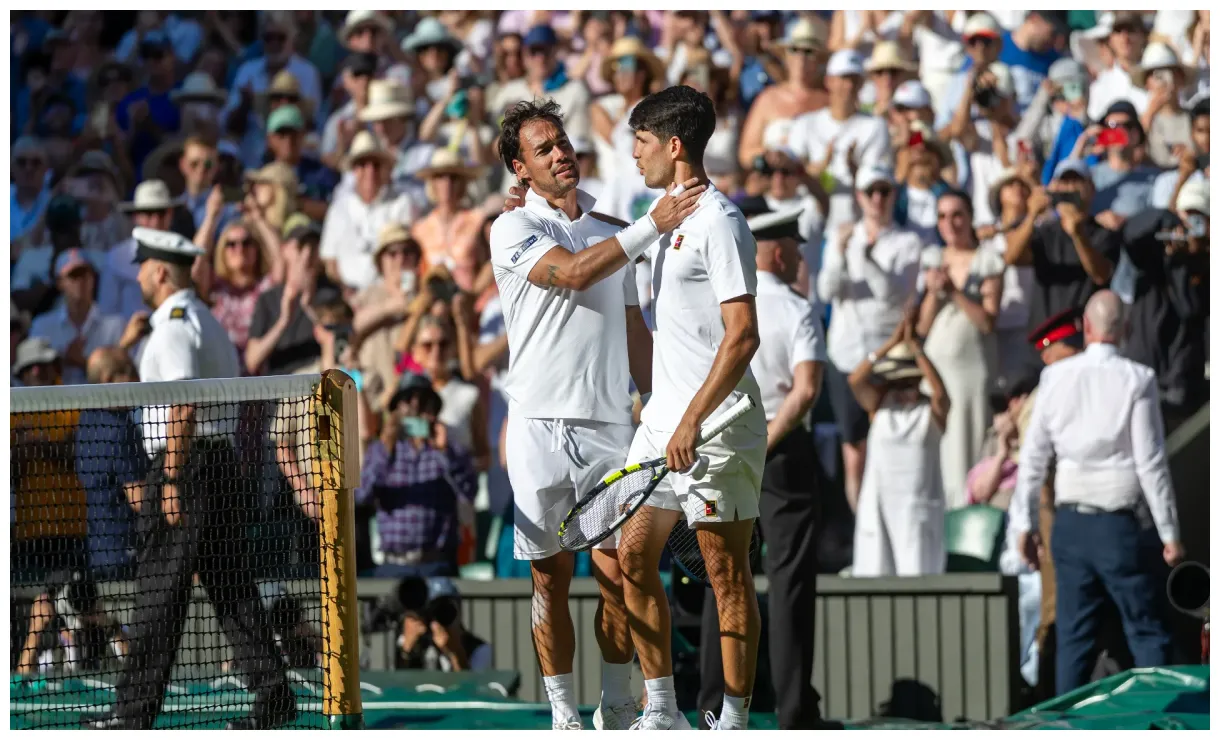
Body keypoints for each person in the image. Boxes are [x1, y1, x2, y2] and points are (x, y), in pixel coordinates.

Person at [491, 98, 698, 730]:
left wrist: (674, 404)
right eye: (543, 148)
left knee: (617, 573)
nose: (561, 154)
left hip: (612, 426)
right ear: (520, 168)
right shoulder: (509, 229)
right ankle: (563, 715)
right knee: (550, 580)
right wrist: (649, 225)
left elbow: (635, 328)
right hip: (539, 431)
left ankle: (613, 704)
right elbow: (576, 274)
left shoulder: (612, 228)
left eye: (563, 142)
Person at [605, 85, 767, 732]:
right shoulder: (663, 220)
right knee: (631, 556)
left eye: (640, 142)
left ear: (674, 147)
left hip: (717, 429)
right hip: (662, 425)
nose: (633, 156)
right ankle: (664, 712)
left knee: (725, 575)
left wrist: (693, 419)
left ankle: (734, 719)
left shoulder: (721, 221)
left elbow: (743, 335)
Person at [89, 227, 292, 730]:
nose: (138, 275)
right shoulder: (203, 319)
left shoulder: (176, 326)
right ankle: (274, 696)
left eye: (143, 267)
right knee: (232, 589)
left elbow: (183, 405)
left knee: (158, 592)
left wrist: (173, 479)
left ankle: (132, 714)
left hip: (188, 466)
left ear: (159, 272)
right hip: (216, 466)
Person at [1012, 290, 1183, 696]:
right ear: (1123, 329)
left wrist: (1025, 524)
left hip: (1070, 526)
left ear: (1085, 329)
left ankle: (1065, 731)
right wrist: (1170, 534)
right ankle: (1158, 724)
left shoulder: (1054, 378)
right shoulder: (1136, 379)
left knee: (1073, 640)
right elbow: (1150, 462)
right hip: (1117, 526)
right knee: (1145, 631)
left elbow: (1033, 460)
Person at [697, 201, 828, 729]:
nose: (799, 259)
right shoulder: (797, 309)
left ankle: (711, 704)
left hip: (730, 446)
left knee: (723, 578)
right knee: (790, 581)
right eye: (794, 250)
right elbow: (807, 390)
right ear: (775, 253)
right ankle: (795, 713)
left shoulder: (721, 307)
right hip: (781, 452)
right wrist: (769, 441)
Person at [816, 165, 922, 513]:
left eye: (884, 191)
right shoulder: (843, 235)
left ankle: (887, 517)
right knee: (854, 449)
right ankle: (862, 525)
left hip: (887, 354)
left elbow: (892, 295)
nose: (878, 198)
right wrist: (843, 255)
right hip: (846, 354)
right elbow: (827, 290)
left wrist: (862, 255)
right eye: (871, 192)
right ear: (860, 197)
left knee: (887, 438)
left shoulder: (907, 241)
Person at [916, 191, 1004, 510]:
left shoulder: (987, 261)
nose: (950, 223)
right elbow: (922, 328)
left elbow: (987, 323)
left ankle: (968, 514)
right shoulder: (933, 260)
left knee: (968, 447)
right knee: (939, 451)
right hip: (937, 374)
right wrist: (934, 295)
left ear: (969, 218)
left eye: (956, 215)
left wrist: (954, 292)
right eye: (942, 216)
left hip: (971, 374)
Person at [848, 312, 951, 577]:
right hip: (879, 505)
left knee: (919, 575)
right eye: (900, 381)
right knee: (876, 572)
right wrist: (890, 344)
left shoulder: (932, 410)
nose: (906, 388)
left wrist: (917, 350)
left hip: (918, 509)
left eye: (912, 381)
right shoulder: (880, 406)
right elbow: (855, 380)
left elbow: (941, 393)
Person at [355, 372, 478, 578]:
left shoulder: (450, 448)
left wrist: (444, 451)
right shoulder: (380, 450)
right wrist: (386, 447)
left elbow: (470, 492)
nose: (415, 406)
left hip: (438, 565)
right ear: (395, 409)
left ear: (434, 409)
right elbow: (361, 497)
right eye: (407, 399)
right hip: (394, 565)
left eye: (423, 400)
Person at [27, 249, 126, 385]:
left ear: (93, 278)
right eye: (73, 276)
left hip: (103, 404)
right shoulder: (42, 326)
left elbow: (123, 377)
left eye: (85, 274)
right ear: (59, 282)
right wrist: (63, 359)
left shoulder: (116, 325)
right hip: (57, 404)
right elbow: (32, 378)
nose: (80, 281)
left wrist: (83, 362)